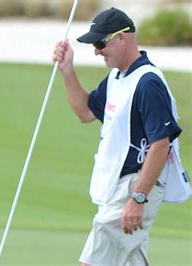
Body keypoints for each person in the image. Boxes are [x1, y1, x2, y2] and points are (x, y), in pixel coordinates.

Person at [52, 7, 186, 265]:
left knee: (92, 261)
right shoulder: (117, 77)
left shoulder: (148, 83)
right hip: (120, 186)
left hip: (134, 186)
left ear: (121, 38)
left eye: (101, 43)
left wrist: (138, 198)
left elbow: (161, 144)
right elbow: (85, 112)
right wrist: (67, 70)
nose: (96, 50)